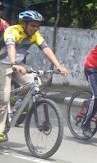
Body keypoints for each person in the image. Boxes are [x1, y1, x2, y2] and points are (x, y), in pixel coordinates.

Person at [0, 10, 68, 142]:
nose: (35, 28)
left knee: (34, 82)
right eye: (33, 25)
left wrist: (58, 66)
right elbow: (11, 47)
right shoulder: (12, 31)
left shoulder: (35, 35)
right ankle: (0, 130)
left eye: (38, 26)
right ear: (23, 24)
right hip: (3, 64)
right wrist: (13, 63)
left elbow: (46, 49)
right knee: (3, 99)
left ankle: (16, 102)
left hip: (19, 64)